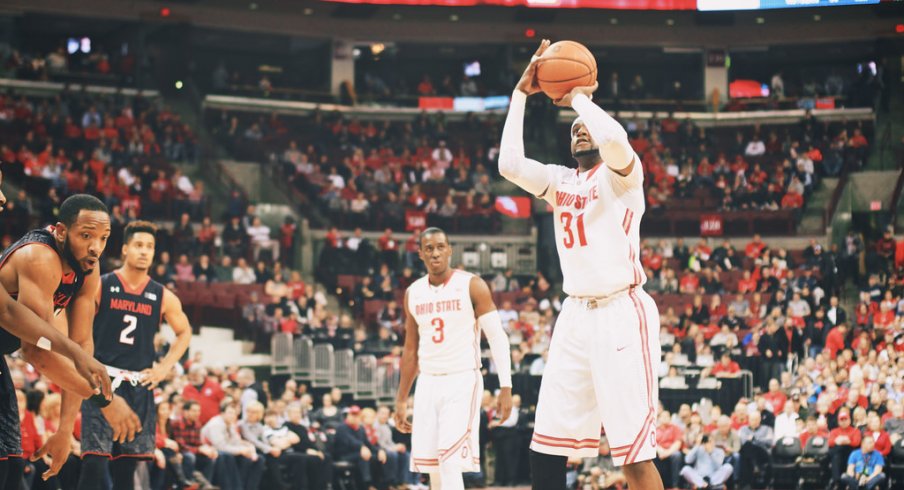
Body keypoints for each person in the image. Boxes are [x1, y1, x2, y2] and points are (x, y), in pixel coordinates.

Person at [498, 39, 662, 490]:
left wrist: (577, 96)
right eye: (572, 127)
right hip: (574, 316)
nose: (579, 129)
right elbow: (509, 163)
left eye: (583, 125)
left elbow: (613, 138)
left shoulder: (625, 178)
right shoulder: (560, 180)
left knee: (633, 458)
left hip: (620, 313)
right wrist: (519, 94)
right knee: (546, 449)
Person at [0, 192, 141, 485]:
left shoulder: (87, 266)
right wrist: (105, 400)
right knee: (7, 466)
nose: (96, 247)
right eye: (86, 235)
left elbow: (81, 349)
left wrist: (64, 430)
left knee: (11, 466)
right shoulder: (40, 258)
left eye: (103, 238)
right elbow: (36, 351)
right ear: (61, 231)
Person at [394, 227, 513, 490]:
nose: (435, 253)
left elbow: (497, 337)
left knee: (449, 460)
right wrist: (401, 399)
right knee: (433, 465)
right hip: (428, 382)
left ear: (449, 250)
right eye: (429, 248)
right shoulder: (413, 293)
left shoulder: (472, 285)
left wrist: (506, 387)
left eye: (440, 247)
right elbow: (410, 351)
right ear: (421, 254)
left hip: (462, 378)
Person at [77, 221, 193, 489]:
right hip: (102, 382)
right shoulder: (102, 284)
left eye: (150, 247)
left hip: (138, 385)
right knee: (94, 464)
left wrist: (164, 368)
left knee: (126, 470)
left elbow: (184, 333)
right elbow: (80, 332)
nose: (144, 251)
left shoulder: (163, 295)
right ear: (125, 249)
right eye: (139, 245)